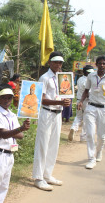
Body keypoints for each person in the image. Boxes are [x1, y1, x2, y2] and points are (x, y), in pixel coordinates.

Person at [32, 52, 71, 191]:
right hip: (47, 112)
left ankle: (47, 174)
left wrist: (66, 100)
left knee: (54, 145)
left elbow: (65, 94)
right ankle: (38, 177)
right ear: (49, 63)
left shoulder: (62, 78)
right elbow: (40, 98)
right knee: (43, 145)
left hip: (58, 113)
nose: (58, 65)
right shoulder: (45, 77)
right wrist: (59, 101)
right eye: (55, 62)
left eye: (60, 62)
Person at [77, 56, 105, 169]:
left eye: (104, 63)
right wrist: (81, 101)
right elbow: (86, 91)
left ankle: (99, 151)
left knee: (101, 136)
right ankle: (91, 158)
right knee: (90, 134)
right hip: (91, 107)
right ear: (96, 64)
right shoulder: (91, 76)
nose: (102, 65)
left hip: (104, 109)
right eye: (100, 63)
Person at [68, 65, 94, 141]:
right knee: (86, 118)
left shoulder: (80, 79)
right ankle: (83, 136)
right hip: (86, 101)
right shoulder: (88, 81)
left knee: (78, 117)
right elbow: (87, 93)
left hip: (79, 100)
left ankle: (73, 128)